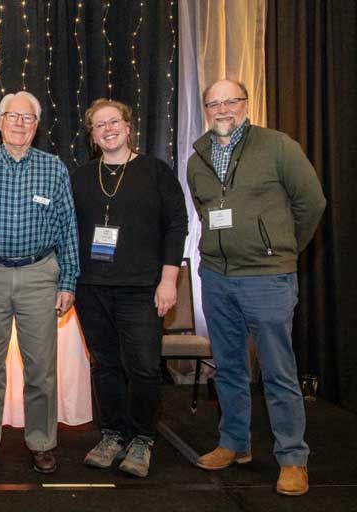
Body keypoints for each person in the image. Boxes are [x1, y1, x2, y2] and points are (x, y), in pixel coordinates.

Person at [187, 79, 326, 496]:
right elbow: (206, 212)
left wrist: (280, 250)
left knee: (278, 372)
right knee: (228, 366)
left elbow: (311, 203)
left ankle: (293, 458)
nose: (223, 109)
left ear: (245, 104)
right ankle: (234, 443)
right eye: (214, 103)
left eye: (231, 101)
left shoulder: (278, 146)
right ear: (207, 108)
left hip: (267, 277)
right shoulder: (198, 158)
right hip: (215, 276)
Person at [0, 91, 80, 474]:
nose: (20, 123)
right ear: (0, 121)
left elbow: (67, 229)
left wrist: (68, 280)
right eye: (12, 116)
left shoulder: (53, 168)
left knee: (41, 369)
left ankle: (41, 441)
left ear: (37, 126)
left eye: (28, 118)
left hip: (41, 275)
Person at [72, 99, 188, 478]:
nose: (107, 129)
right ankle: (112, 434)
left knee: (142, 368)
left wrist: (169, 279)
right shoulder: (82, 177)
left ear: (128, 126)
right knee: (105, 365)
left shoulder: (155, 171)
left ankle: (142, 438)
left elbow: (176, 226)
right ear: (92, 135)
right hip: (91, 288)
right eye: (98, 125)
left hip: (143, 288)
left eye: (113, 121)